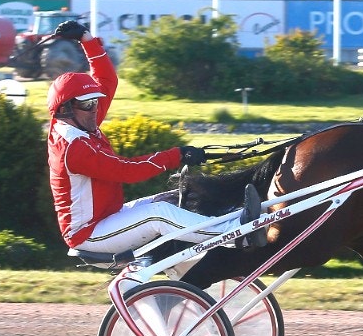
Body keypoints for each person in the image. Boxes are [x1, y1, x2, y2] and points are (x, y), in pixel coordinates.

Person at [46, 20, 266, 256]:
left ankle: (228, 220)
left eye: (95, 101)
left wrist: (87, 40)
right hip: (88, 233)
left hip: (110, 216)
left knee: (172, 199)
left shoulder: (82, 120)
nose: (95, 109)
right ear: (65, 108)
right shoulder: (73, 147)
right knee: (158, 213)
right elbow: (126, 171)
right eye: (88, 104)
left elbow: (108, 80)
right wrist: (176, 156)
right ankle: (235, 234)